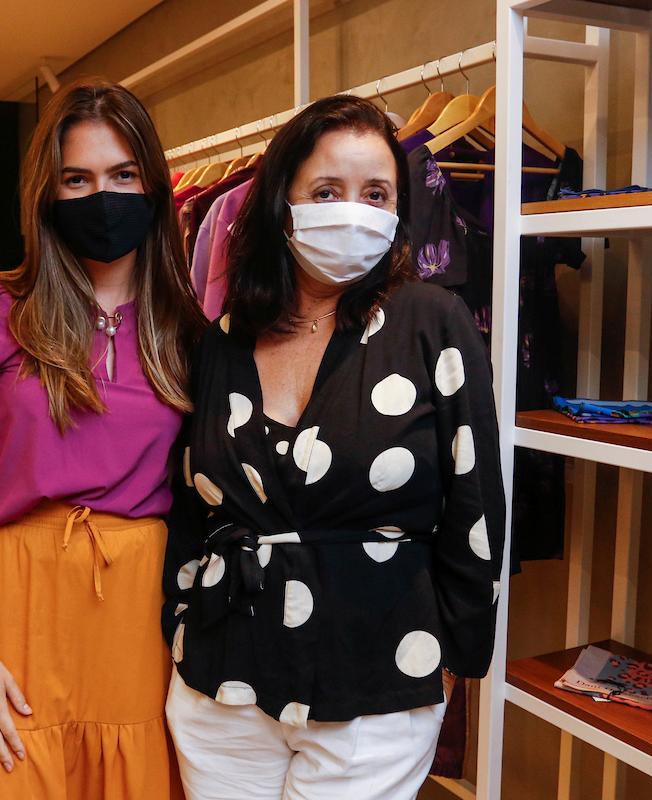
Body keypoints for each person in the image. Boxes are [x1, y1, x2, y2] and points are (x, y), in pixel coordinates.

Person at [162, 94, 506, 800]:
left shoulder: (430, 322)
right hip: (221, 678)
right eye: (327, 191)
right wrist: (178, 623)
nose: (354, 209)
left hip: (375, 674)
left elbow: (476, 503)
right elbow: (190, 507)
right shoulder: (224, 338)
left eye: (376, 193)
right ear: (282, 204)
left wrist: (456, 655)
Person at [0, 77, 204, 799]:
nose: (99, 196)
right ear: (47, 193)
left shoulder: (190, 330)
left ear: (154, 184)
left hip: (135, 615)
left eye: (121, 175)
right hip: (8, 601)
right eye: (76, 179)